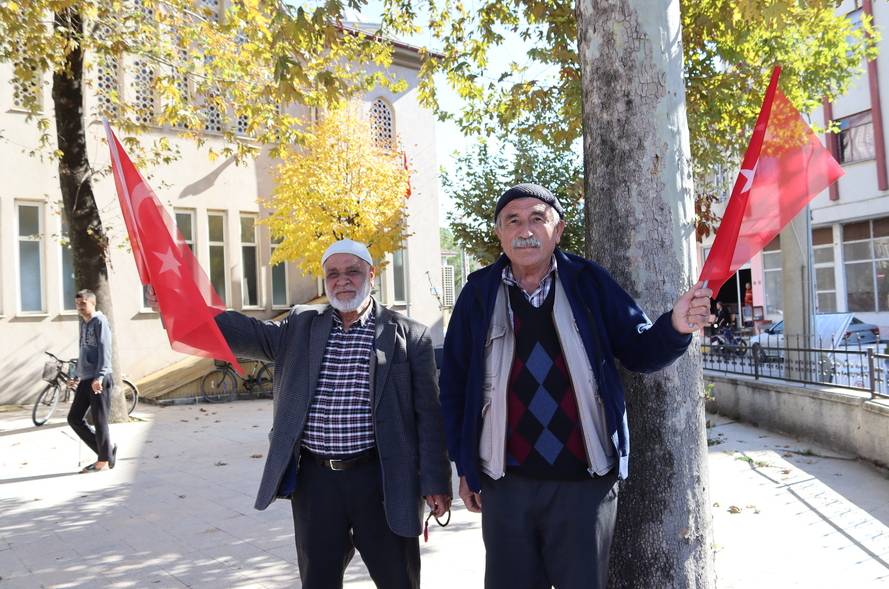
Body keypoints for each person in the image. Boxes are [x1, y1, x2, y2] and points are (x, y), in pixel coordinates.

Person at [439, 184, 712, 589]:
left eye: (537, 218)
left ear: (559, 229)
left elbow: (639, 351)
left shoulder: (589, 282)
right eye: (512, 220)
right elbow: (455, 387)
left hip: (585, 485)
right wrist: (465, 468)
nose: (525, 230)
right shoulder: (477, 293)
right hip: (504, 482)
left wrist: (675, 325)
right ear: (499, 233)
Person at [148, 238, 452, 589]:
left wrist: (435, 483)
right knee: (317, 579)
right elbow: (242, 331)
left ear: (371, 274)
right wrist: (177, 302)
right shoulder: (301, 326)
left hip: (382, 478)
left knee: (398, 578)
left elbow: (429, 415)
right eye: (333, 273)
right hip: (317, 483)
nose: (342, 280)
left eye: (352, 271)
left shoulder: (408, 335)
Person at [67, 289, 117, 473]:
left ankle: (103, 461)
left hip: (99, 378)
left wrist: (100, 376)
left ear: (93, 303)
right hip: (86, 378)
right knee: (74, 418)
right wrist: (76, 375)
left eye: (83, 303)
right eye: (77, 303)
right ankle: (106, 451)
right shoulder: (83, 323)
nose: (80, 306)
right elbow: (84, 352)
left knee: (99, 420)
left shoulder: (100, 322)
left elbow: (105, 351)